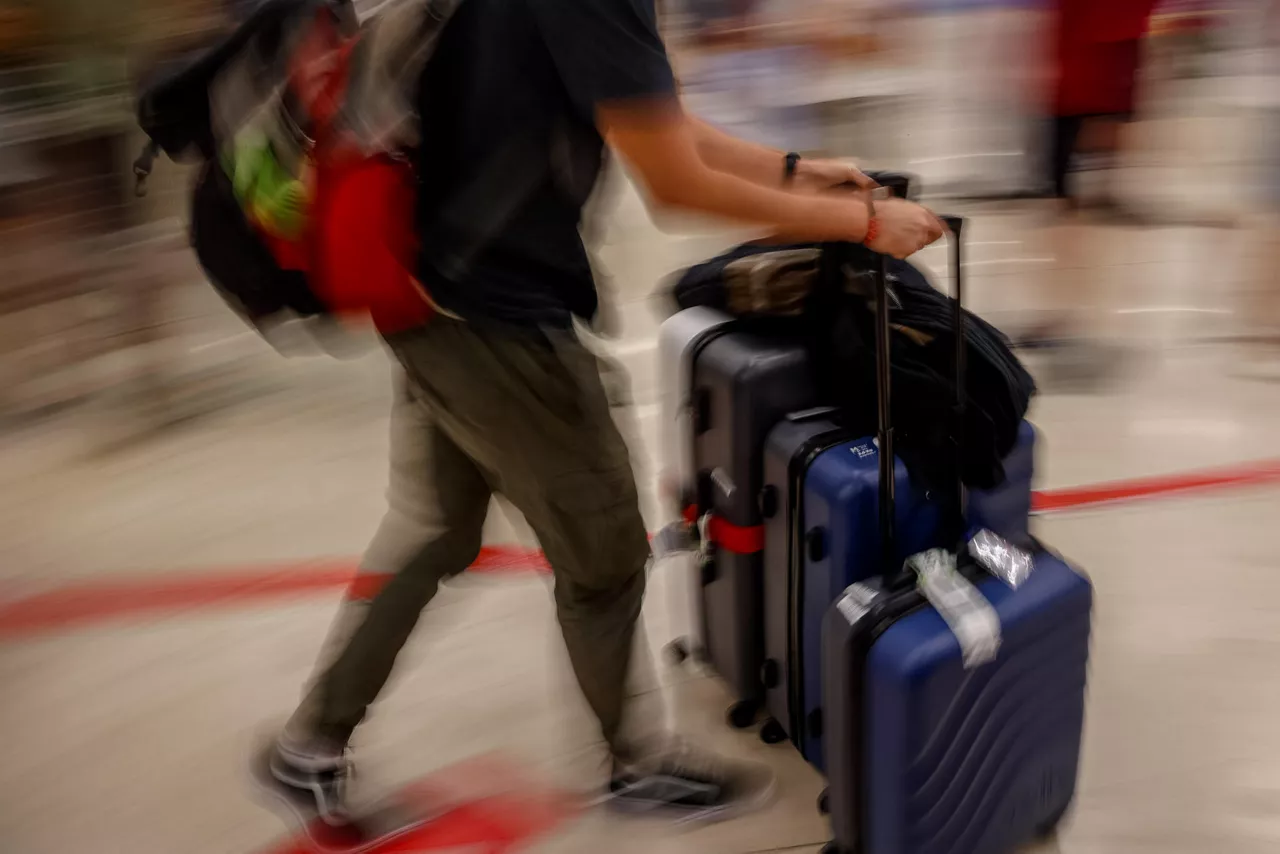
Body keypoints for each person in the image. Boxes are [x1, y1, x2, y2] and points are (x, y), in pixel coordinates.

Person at [261, 0, 944, 824]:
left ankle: (309, 743)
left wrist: (793, 169)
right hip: (499, 321)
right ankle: (636, 764)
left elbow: (651, 120)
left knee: (440, 531)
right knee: (605, 555)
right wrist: (865, 223)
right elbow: (674, 185)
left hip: (428, 301)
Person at [1047, 0, 1158, 211]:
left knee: (1085, 115)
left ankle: (1074, 192)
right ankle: (1079, 192)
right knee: (1092, 114)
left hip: (1097, 50)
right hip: (1098, 51)